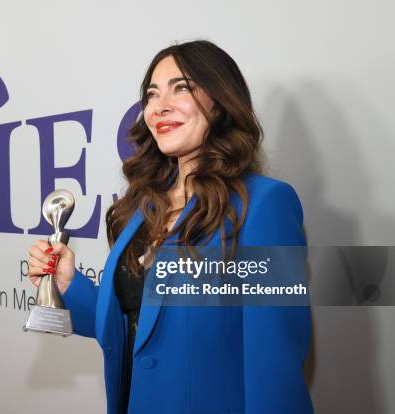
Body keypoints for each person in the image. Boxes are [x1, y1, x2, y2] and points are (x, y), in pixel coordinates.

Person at [27, 40, 314, 414]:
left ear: (220, 100)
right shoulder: (140, 208)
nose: (159, 106)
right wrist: (68, 283)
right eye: (151, 94)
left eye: (181, 88)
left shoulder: (264, 205)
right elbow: (136, 329)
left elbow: (274, 366)